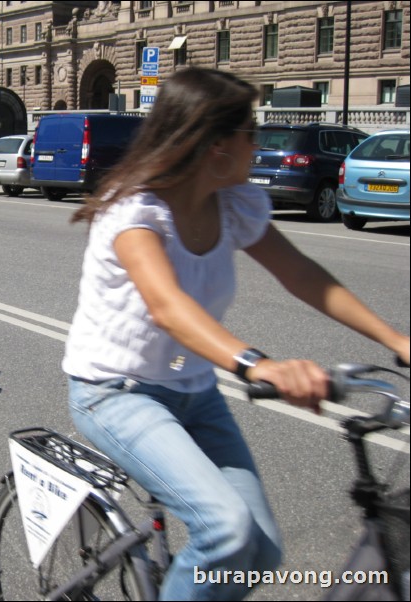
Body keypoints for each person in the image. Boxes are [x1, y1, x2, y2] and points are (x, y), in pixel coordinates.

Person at [62, 67, 410, 601]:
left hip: (195, 393)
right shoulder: (133, 212)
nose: (259, 143)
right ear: (216, 146)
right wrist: (258, 365)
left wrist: (397, 339)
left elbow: (302, 274)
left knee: (262, 551)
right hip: (115, 392)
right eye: (252, 132)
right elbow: (169, 307)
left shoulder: (233, 203)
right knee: (225, 530)